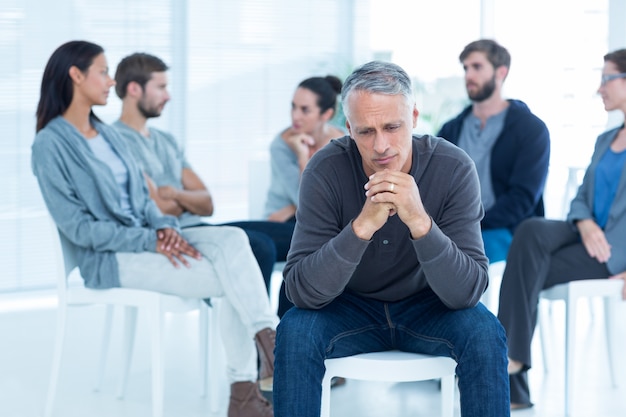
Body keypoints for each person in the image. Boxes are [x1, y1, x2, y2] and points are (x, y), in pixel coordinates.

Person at [31, 40, 276, 417]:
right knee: (233, 278)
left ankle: (267, 347)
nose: (111, 81)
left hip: (150, 237)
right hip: (111, 257)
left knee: (234, 239)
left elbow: (143, 201)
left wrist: (163, 226)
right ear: (76, 76)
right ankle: (245, 390)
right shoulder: (50, 146)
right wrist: (152, 238)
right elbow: (78, 229)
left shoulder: (107, 135)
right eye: (103, 71)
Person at [273, 61, 510, 417]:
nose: (381, 145)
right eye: (365, 131)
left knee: (485, 333)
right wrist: (361, 228)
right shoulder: (325, 169)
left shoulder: (454, 167)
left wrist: (419, 221)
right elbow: (301, 291)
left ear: (414, 116)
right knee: (294, 331)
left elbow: (468, 291)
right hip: (348, 307)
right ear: (348, 128)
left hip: (429, 306)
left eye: (392, 127)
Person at [497, 48, 626, 410]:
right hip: (586, 233)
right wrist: (584, 223)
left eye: (607, 79)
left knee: (524, 272)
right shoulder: (606, 139)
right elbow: (582, 196)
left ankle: (511, 376)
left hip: (612, 251)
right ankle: (514, 364)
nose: (600, 88)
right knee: (530, 229)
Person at [111, 52, 277, 292]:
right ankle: (256, 328)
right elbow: (158, 209)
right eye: (161, 87)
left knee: (298, 238)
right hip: (176, 234)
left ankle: (289, 325)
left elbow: (207, 204)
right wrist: (186, 198)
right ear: (134, 89)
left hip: (197, 223)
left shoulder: (166, 140)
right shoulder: (116, 141)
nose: (167, 96)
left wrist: (175, 195)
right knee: (261, 246)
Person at [226, 75, 345, 318]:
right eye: (293, 106)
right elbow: (307, 201)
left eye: (305, 109)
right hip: (283, 225)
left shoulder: (344, 141)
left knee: (311, 244)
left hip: (307, 222)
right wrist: (302, 155)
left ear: (326, 114)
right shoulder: (283, 144)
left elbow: (336, 202)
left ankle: (282, 329)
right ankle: (274, 327)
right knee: (303, 247)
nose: (295, 116)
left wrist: (291, 206)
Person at [438, 39, 550, 264]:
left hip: (506, 231)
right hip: (453, 230)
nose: (469, 75)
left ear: (501, 72)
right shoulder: (451, 129)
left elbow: (522, 198)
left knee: (451, 261)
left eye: (477, 67)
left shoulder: (531, 129)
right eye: (466, 68)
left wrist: (471, 224)